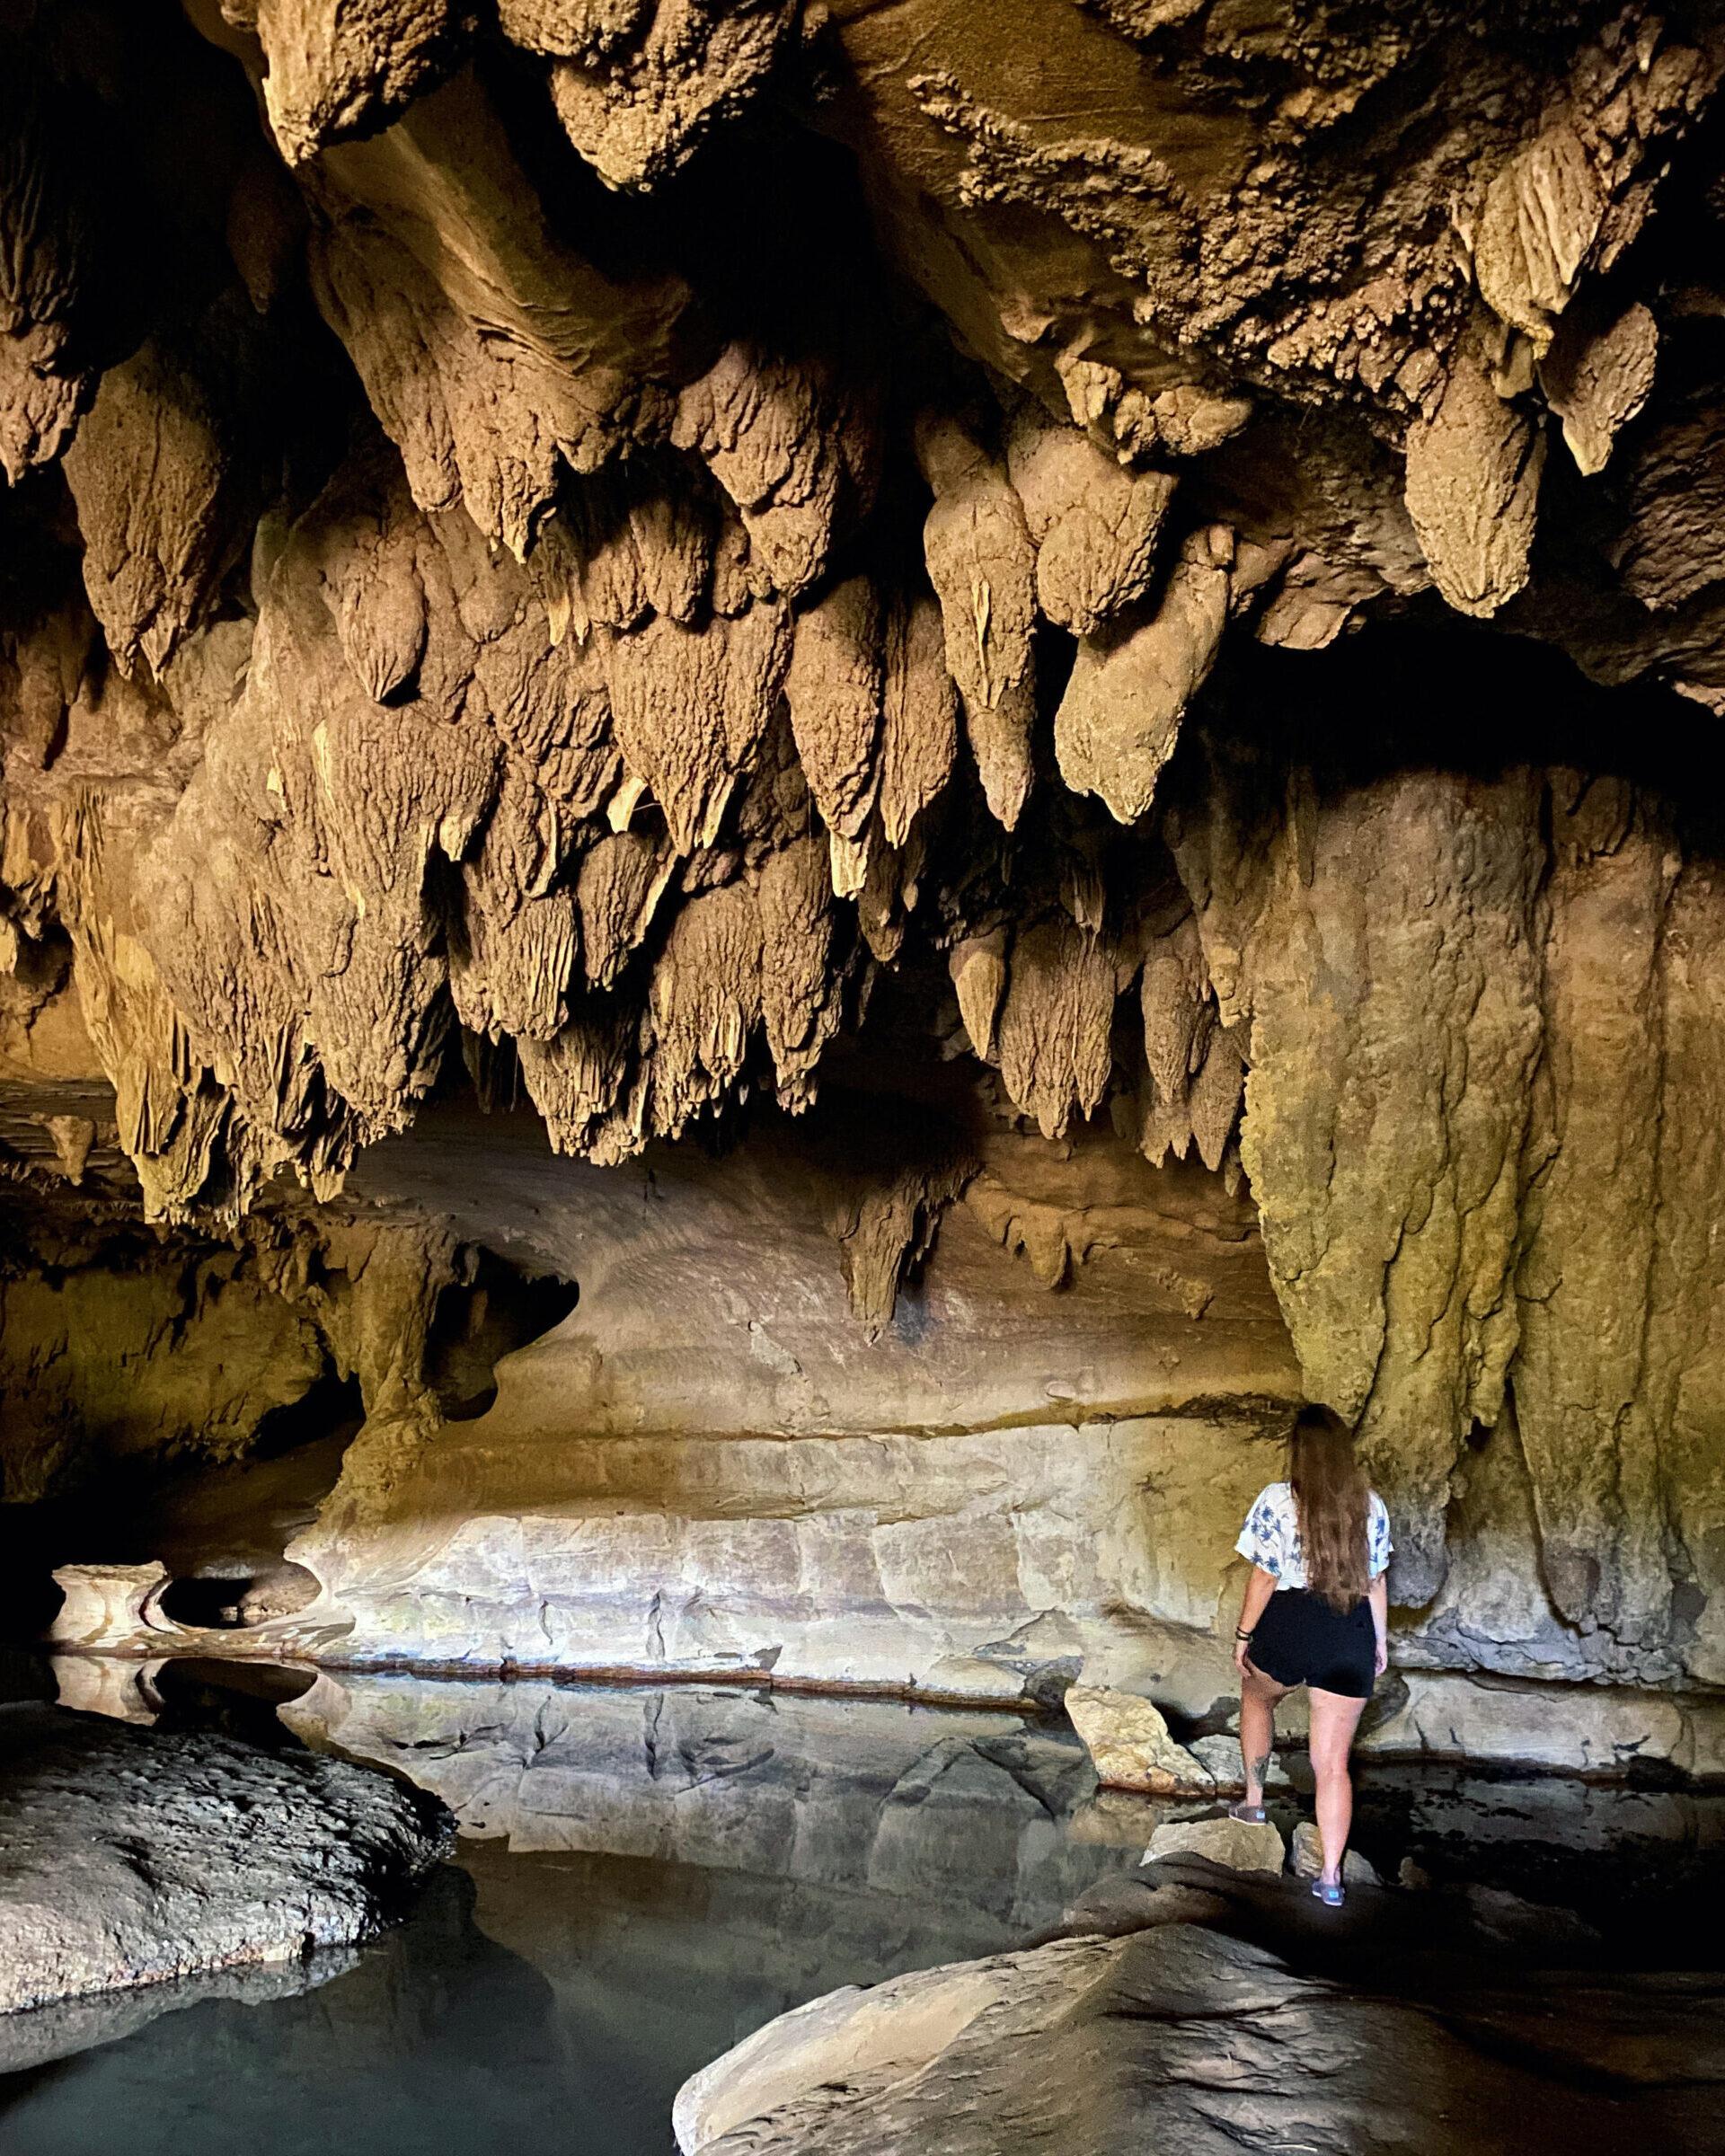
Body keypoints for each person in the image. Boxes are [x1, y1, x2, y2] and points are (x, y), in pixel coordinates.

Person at [1227, 1405, 1392, 1906]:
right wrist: (1379, 1642)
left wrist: (1243, 1634)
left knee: (1256, 1699)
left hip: (1291, 1623)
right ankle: (1330, 1880)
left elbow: (1264, 1576)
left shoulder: (1279, 1500)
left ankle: (1254, 1805)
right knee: (1333, 1764)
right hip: (1350, 1628)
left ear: (1297, 1451)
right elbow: (1375, 1579)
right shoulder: (1371, 1504)